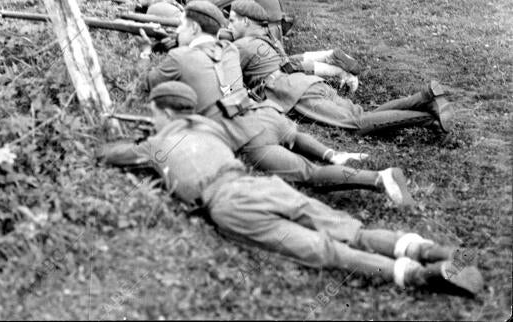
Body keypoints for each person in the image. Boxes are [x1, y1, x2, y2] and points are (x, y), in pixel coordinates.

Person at [99, 81, 483, 297]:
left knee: (320, 249)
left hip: (227, 203)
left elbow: (108, 154)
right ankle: (437, 252)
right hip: (258, 184)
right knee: (347, 229)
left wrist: (145, 139)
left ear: (164, 113)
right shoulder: (208, 127)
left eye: (153, 112)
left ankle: (417, 276)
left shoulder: (154, 144)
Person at [140, 0, 414, 206]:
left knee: (307, 174)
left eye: (180, 27)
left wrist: (149, 51)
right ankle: (333, 153)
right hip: (266, 114)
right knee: (294, 135)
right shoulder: (230, 50)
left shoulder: (180, 58)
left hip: (240, 133)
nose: (178, 31)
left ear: (193, 28)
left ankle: (379, 178)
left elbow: (151, 83)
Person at [227, 0, 454, 135]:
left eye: (232, 20)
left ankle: (429, 118)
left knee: (356, 125)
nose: (230, 25)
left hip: (295, 93)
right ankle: (425, 96)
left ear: (246, 22)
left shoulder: (242, 46)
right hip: (309, 84)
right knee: (362, 114)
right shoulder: (270, 38)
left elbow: (227, 84)